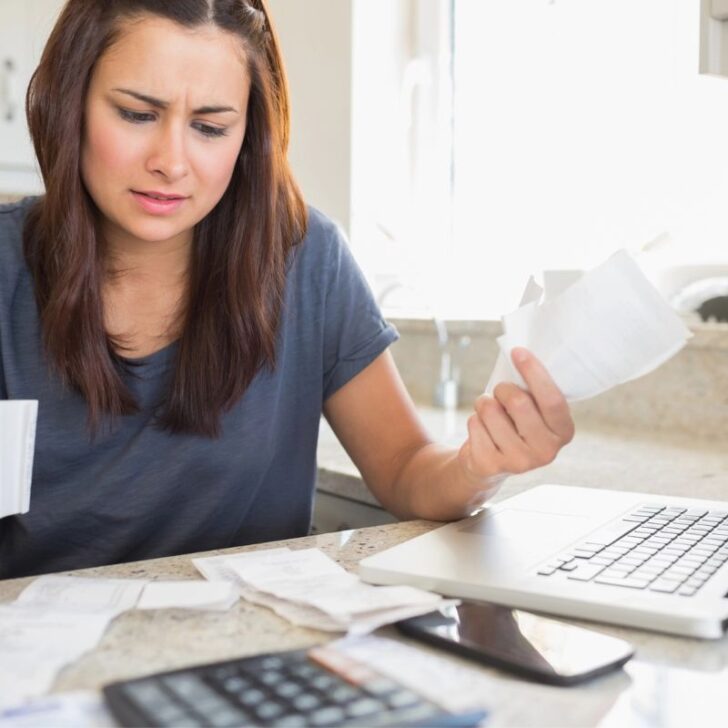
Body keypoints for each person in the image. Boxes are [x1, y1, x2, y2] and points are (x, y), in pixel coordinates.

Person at [0, 0, 574, 579]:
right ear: (68, 101)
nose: (171, 162)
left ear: (247, 135)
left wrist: (479, 466)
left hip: (249, 647)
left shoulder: (306, 259)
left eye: (210, 127)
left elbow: (406, 469)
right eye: (136, 114)